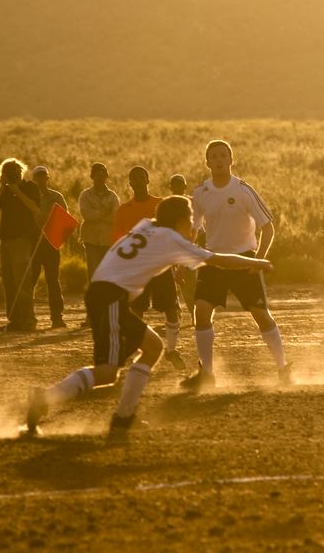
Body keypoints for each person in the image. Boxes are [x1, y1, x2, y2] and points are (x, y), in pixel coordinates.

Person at [22, 196, 272, 438]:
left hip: (106, 293)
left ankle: (124, 418)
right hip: (110, 295)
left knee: (153, 347)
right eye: (190, 217)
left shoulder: (147, 226)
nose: (193, 223)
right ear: (178, 219)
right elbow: (217, 260)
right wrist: (257, 262)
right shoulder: (171, 237)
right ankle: (46, 398)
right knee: (107, 371)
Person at [181, 140, 290, 390]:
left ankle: (283, 368)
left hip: (244, 260)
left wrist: (258, 259)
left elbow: (268, 226)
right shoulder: (200, 193)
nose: (219, 160)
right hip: (213, 261)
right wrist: (183, 261)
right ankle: (206, 373)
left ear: (232, 160)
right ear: (207, 162)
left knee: (261, 315)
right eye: (214, 156)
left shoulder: (243, 190)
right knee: (201, 311)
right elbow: (193, 230)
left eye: (223, 156)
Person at [111, 166, 185, 371]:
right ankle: (131, 350)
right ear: (130, 183)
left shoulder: (160, 204)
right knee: (136, 311)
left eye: (142, 177)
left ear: (148, 180)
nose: (138, 181)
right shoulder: (124, 210)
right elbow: (117, 241)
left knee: (171, 308)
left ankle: (171, 350)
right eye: (134, 178)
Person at [0, 158, 41, 332]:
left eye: (14, 172)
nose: (12, 175)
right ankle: (15, 321)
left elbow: (34, 208)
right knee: (9, 282)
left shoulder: (30, 187)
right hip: (6, 240)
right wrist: (3, 186)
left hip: (22, 240)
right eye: (7, 173)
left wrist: (17, 190)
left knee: (22, 281)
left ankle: (29, 320)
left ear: (21, 171)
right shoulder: (5, 191)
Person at [29, 166, 68, 329]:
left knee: (53, 281)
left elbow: (64, 217)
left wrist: (50, 224)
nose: (41, 180)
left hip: (51, 243)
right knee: (30, 280)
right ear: (34, 179)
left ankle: (57, 318)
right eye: (38, 177)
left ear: (47, 178)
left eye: (43, 176)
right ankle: (27, 316)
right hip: (33, 243)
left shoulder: (56, 196)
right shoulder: (29, 197)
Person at [78, 162, 119, 282]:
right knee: (93, 269)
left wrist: (96, 214)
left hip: (108, 239)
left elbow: (115, 217)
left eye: (103, 175)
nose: (100, 178)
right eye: (97, 175)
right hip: (91, 239)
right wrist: (105, 213)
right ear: (92, 176)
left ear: (106, 177)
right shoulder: (85, 195)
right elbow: (87, 215)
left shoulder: (113, 196)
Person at [168, 173, 197, 321]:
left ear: (185, 187)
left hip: (190, 244)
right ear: (170, 187)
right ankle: (179, 312)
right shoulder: (167, 204)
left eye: (180, 184)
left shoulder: (192, 202)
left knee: (189, 282)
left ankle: (194, 313)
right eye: (175, 184)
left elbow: (197, 227)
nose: (177, 187)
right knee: (177, 283)